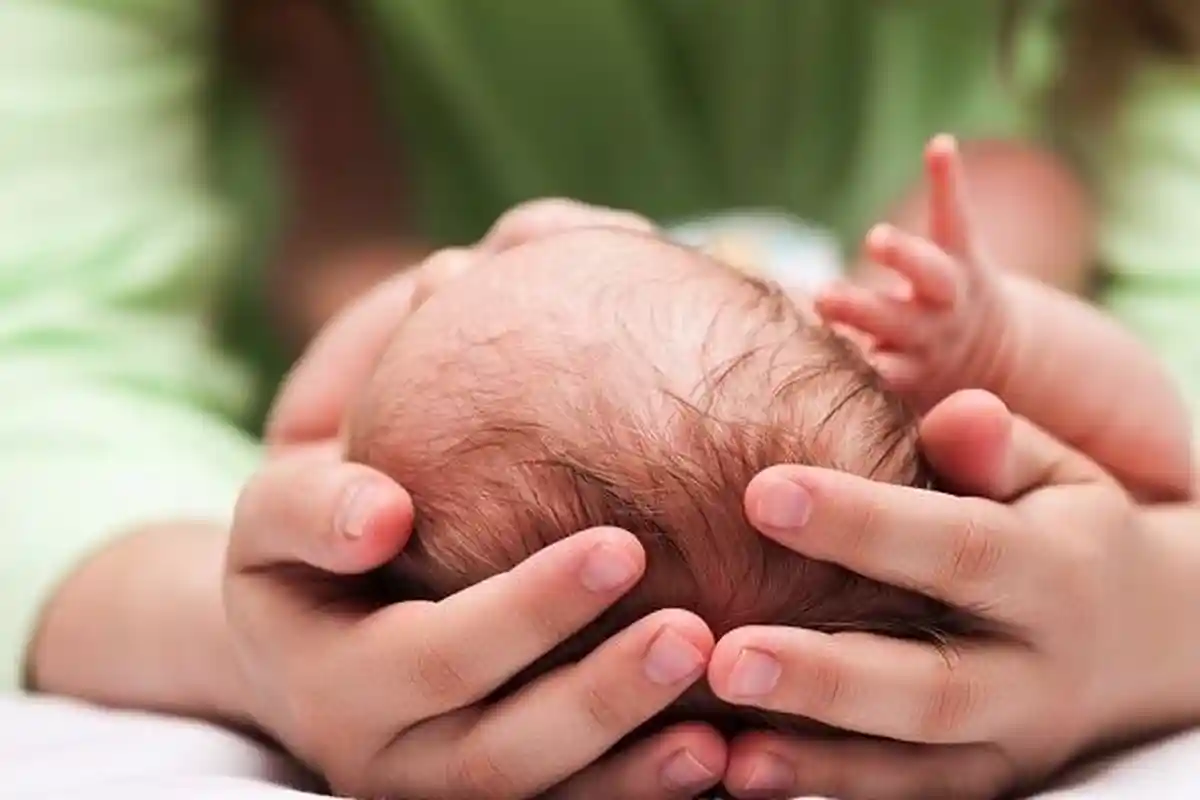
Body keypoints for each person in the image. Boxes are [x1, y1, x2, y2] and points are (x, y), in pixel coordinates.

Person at [2, 1, 1198, 799]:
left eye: (478, 264)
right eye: (511, 248)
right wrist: (994, 343)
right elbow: (1153, 453)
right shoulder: (903, 458)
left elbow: (251, 439)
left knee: (344, 262)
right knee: (1021, 193)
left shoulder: (369, 468)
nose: (538, 220)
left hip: (626, 357)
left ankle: (321, 86)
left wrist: (254, 622)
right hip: (807, 319)